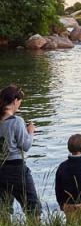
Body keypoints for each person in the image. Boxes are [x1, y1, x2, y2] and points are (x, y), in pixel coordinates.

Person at [0, 84, 41, 217]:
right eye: (19, 102)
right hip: (16, 168)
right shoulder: (17, 121)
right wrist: (30, 131)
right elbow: (26, 146)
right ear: (15, 101)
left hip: (1, 168)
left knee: (4, 208)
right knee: (32, 205)